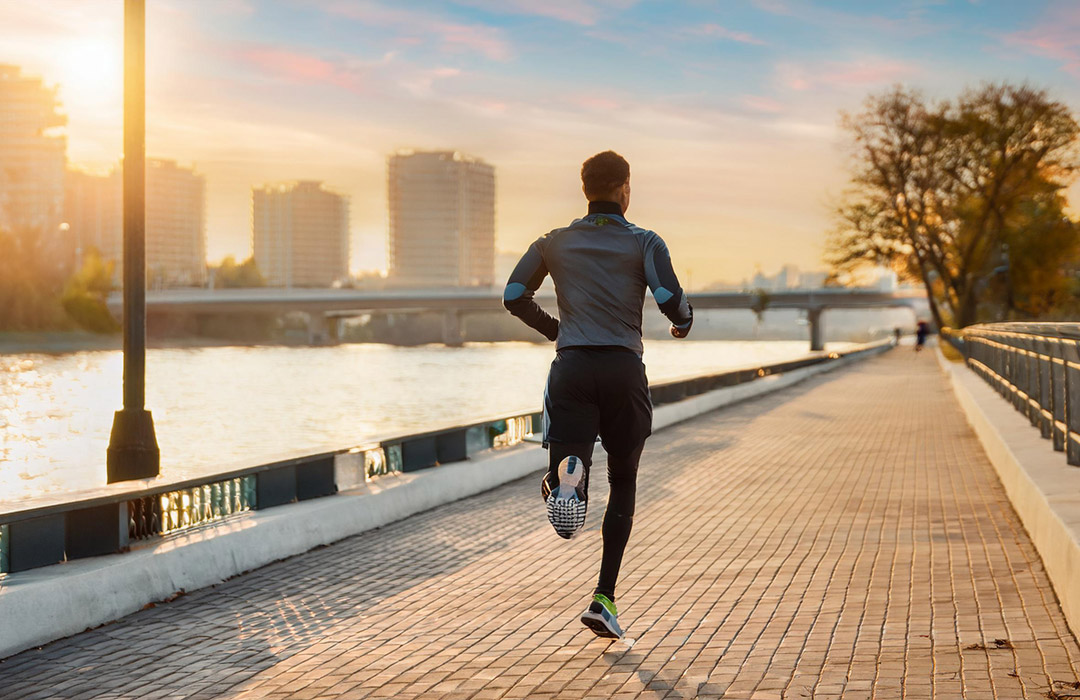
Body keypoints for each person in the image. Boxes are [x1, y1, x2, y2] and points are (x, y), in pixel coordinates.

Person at [503, 150, 693, 639]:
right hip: (623, 371)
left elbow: (513, 295)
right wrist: (683, 322)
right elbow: (670, 300)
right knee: (623, 481)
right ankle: (604, 598)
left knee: (570, 463)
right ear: (625, 188)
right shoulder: (645, 241)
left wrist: (556, 330)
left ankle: (567, 480)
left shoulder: (552, 242)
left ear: (584, 189)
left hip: (572, 369)